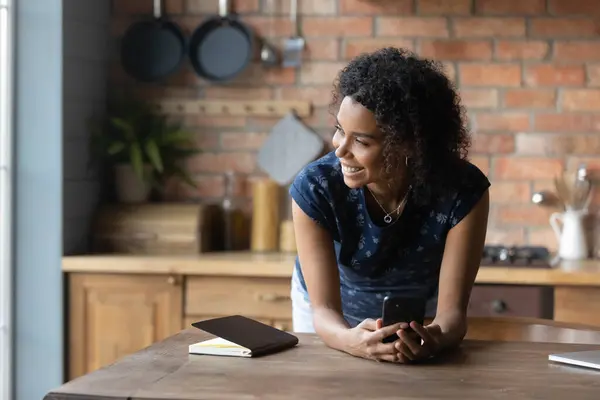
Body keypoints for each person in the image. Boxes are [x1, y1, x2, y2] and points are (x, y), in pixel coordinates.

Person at [288, 47, 491, 364]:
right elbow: (323, 311)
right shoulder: (315, 187)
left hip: (417, 317)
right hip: (331, 320)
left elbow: (451, 318)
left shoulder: (462, 191)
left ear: (409, 145)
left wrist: (433, 339)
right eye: (340, 130)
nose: (340, 149)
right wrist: (350, 340)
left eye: (362, 141)